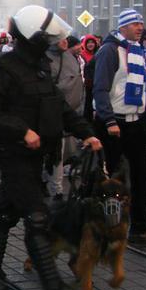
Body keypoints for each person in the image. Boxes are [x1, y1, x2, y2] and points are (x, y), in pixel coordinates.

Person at [0, 5, 101, 290]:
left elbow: (58, 106)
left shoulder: (40, 66)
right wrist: (22, 131)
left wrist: (87, 132)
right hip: (13, 153)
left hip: (35, 157)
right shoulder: (3, 67)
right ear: (34, 36)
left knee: (5, 216)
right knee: (38, 218)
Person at [93, 9, 146, 245]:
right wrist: (109, 120)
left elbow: (145, 82)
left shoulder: (140, 50)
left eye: (141, 23)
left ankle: (139, 228)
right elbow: (100, 88)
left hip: (136, 122)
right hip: (113, 124)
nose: (140, 27)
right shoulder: (110, 51)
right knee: (108, 177)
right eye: (134, 24)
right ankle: (101, 227)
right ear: (122, 27)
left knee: (142, 177)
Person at [43, 35, 84, 202]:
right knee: (57, 155)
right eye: (61, 38)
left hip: (70, 114)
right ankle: (57, 190)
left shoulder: (69, 58)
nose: (65, 41)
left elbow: (78, 88)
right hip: (53, 115)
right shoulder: (46, 59)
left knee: (63, 153)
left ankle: (46, 179)